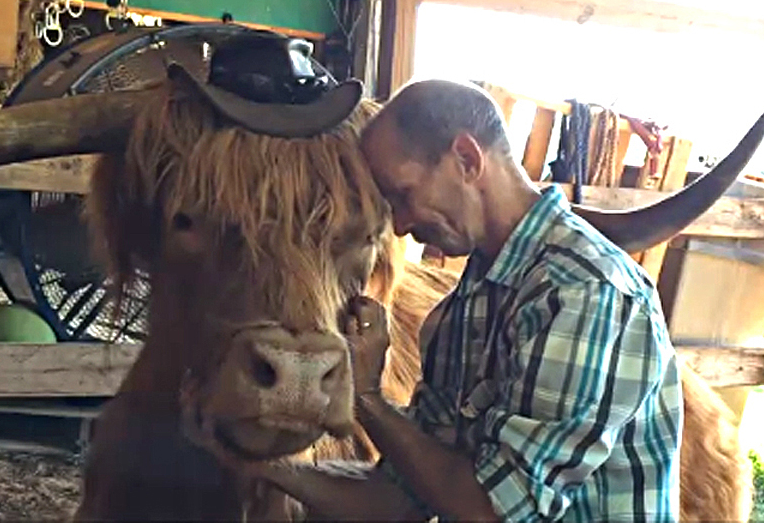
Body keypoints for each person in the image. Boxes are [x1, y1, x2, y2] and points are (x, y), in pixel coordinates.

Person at [180, 79, 683, 522]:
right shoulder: (471, 300)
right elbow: (399, 500)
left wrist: (368, 398)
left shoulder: (581, 293)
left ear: (466, 159)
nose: (398, 225)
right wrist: (262, 466)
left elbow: (494, 512)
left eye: (402, 194)